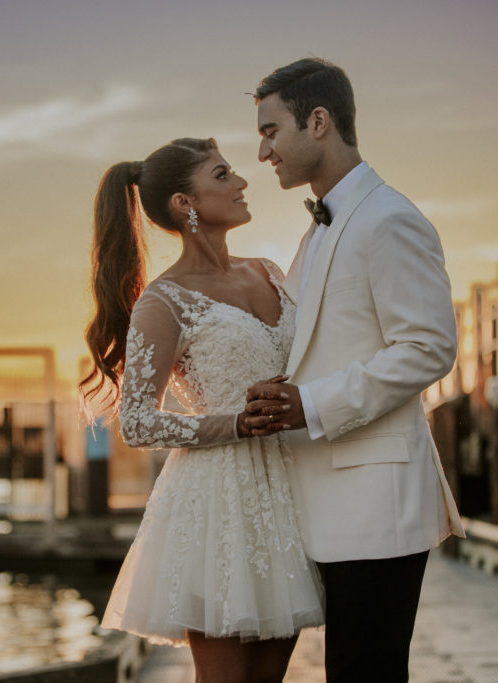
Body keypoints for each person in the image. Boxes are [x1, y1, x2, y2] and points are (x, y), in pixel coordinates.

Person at [243, 58, 466, 683]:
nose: (262, 151)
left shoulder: (389, 217)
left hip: (379, 504)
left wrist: (308, 405)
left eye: (270, 131)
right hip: (324, 499)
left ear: (319, 122)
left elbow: (427, 347)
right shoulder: (318, 230)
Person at [82, 137, 324, 683]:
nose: (240, 183)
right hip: (218, 501)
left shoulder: (268, 271)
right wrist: (235, 422)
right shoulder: (163, 301)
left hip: (288, 491)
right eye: (222, 175)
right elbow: (138, 421)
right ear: (184, 204)